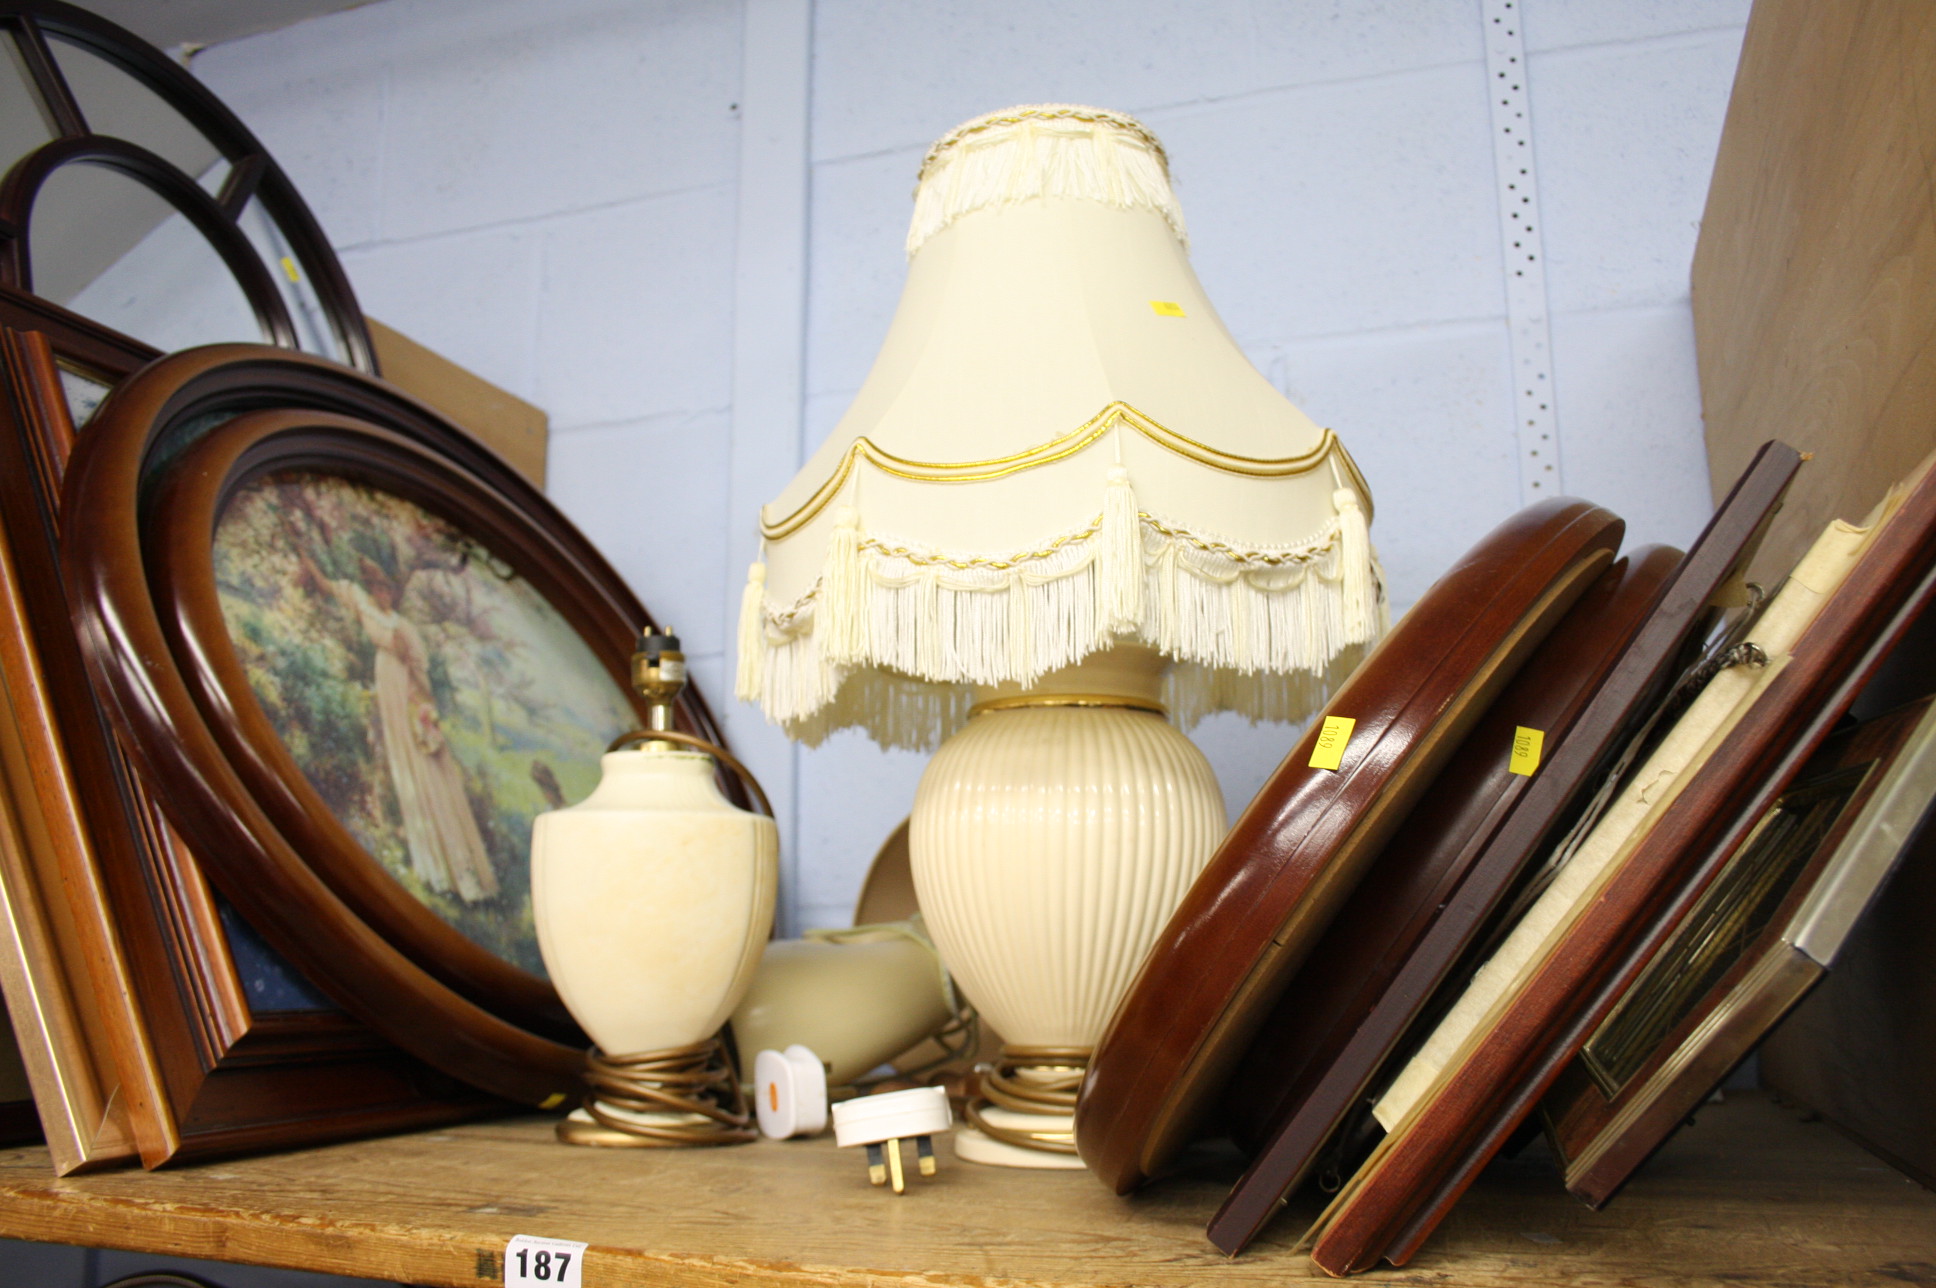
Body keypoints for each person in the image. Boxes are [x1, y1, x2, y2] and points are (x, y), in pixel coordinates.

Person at [303, 550, 500, 903]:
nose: (383, 594)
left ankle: (463, 872)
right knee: (406, 766)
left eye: (387, 589)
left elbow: (415, 664)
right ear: (371, 589)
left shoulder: (404, 626)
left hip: (408, 694)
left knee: (430, 767)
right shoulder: (363, 604)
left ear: (393, 592)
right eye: (377, 588)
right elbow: (328, 586)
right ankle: (432, 865)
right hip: (388, 686)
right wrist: (306, 556)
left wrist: (421, 703)